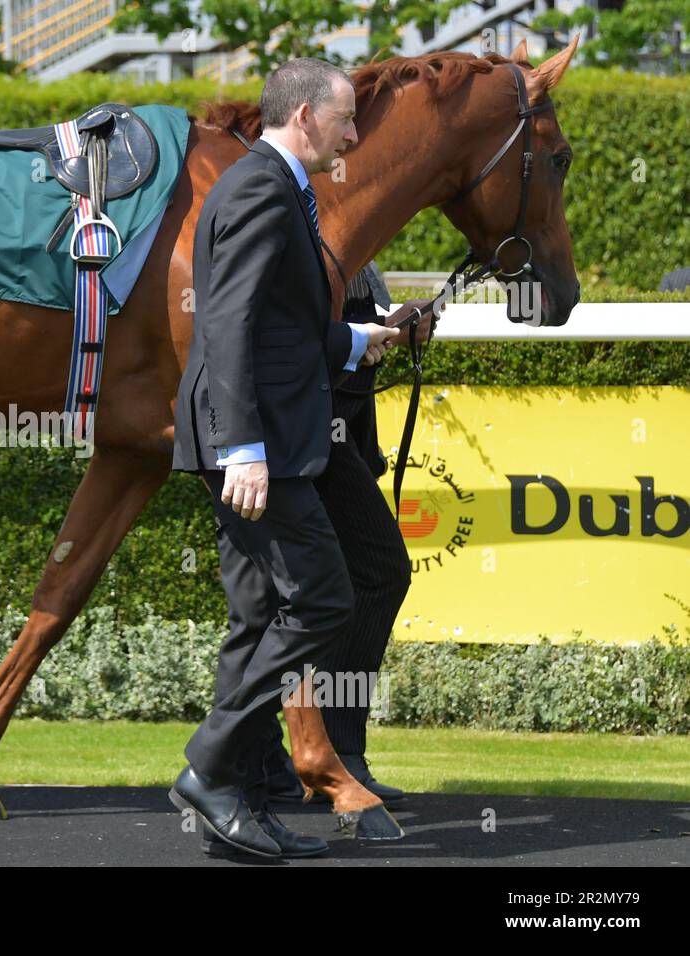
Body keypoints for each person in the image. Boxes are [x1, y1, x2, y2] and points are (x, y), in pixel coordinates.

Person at [169, 57, 416, 859]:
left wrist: (357, 340)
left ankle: (232, 803)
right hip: (256, 449)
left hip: (258, 440)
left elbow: (279, 324)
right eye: (346, 119)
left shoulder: (275, 189)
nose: (354, 134)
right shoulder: (261, 189)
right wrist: (244, 449)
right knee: (321, 600)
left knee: (254, 619)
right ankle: (210, 764)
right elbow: (229, 327)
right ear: (305, 117)